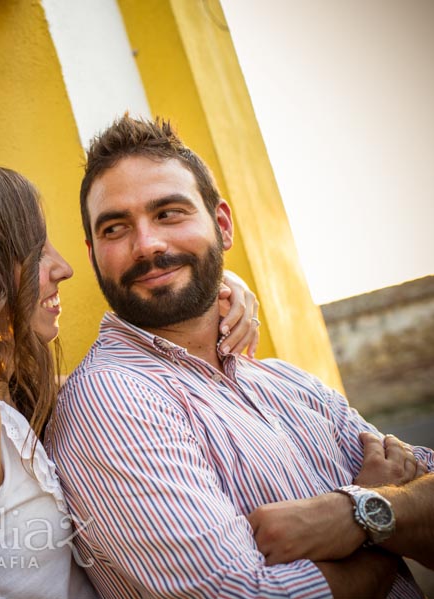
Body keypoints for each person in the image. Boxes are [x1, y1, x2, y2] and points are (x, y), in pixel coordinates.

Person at [0, 159, 259, 598]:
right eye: (36, 253)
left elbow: (138, 372)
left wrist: (220, 288)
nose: (64, 267)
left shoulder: (14, 399)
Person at [47, 115, 434, 599]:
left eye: (168, 213)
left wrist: (348, 515)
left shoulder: (288, 382)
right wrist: (375, 516)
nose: (147, 244)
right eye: (115, 227)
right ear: (93, 255)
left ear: (222, 225)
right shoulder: (112, 399)